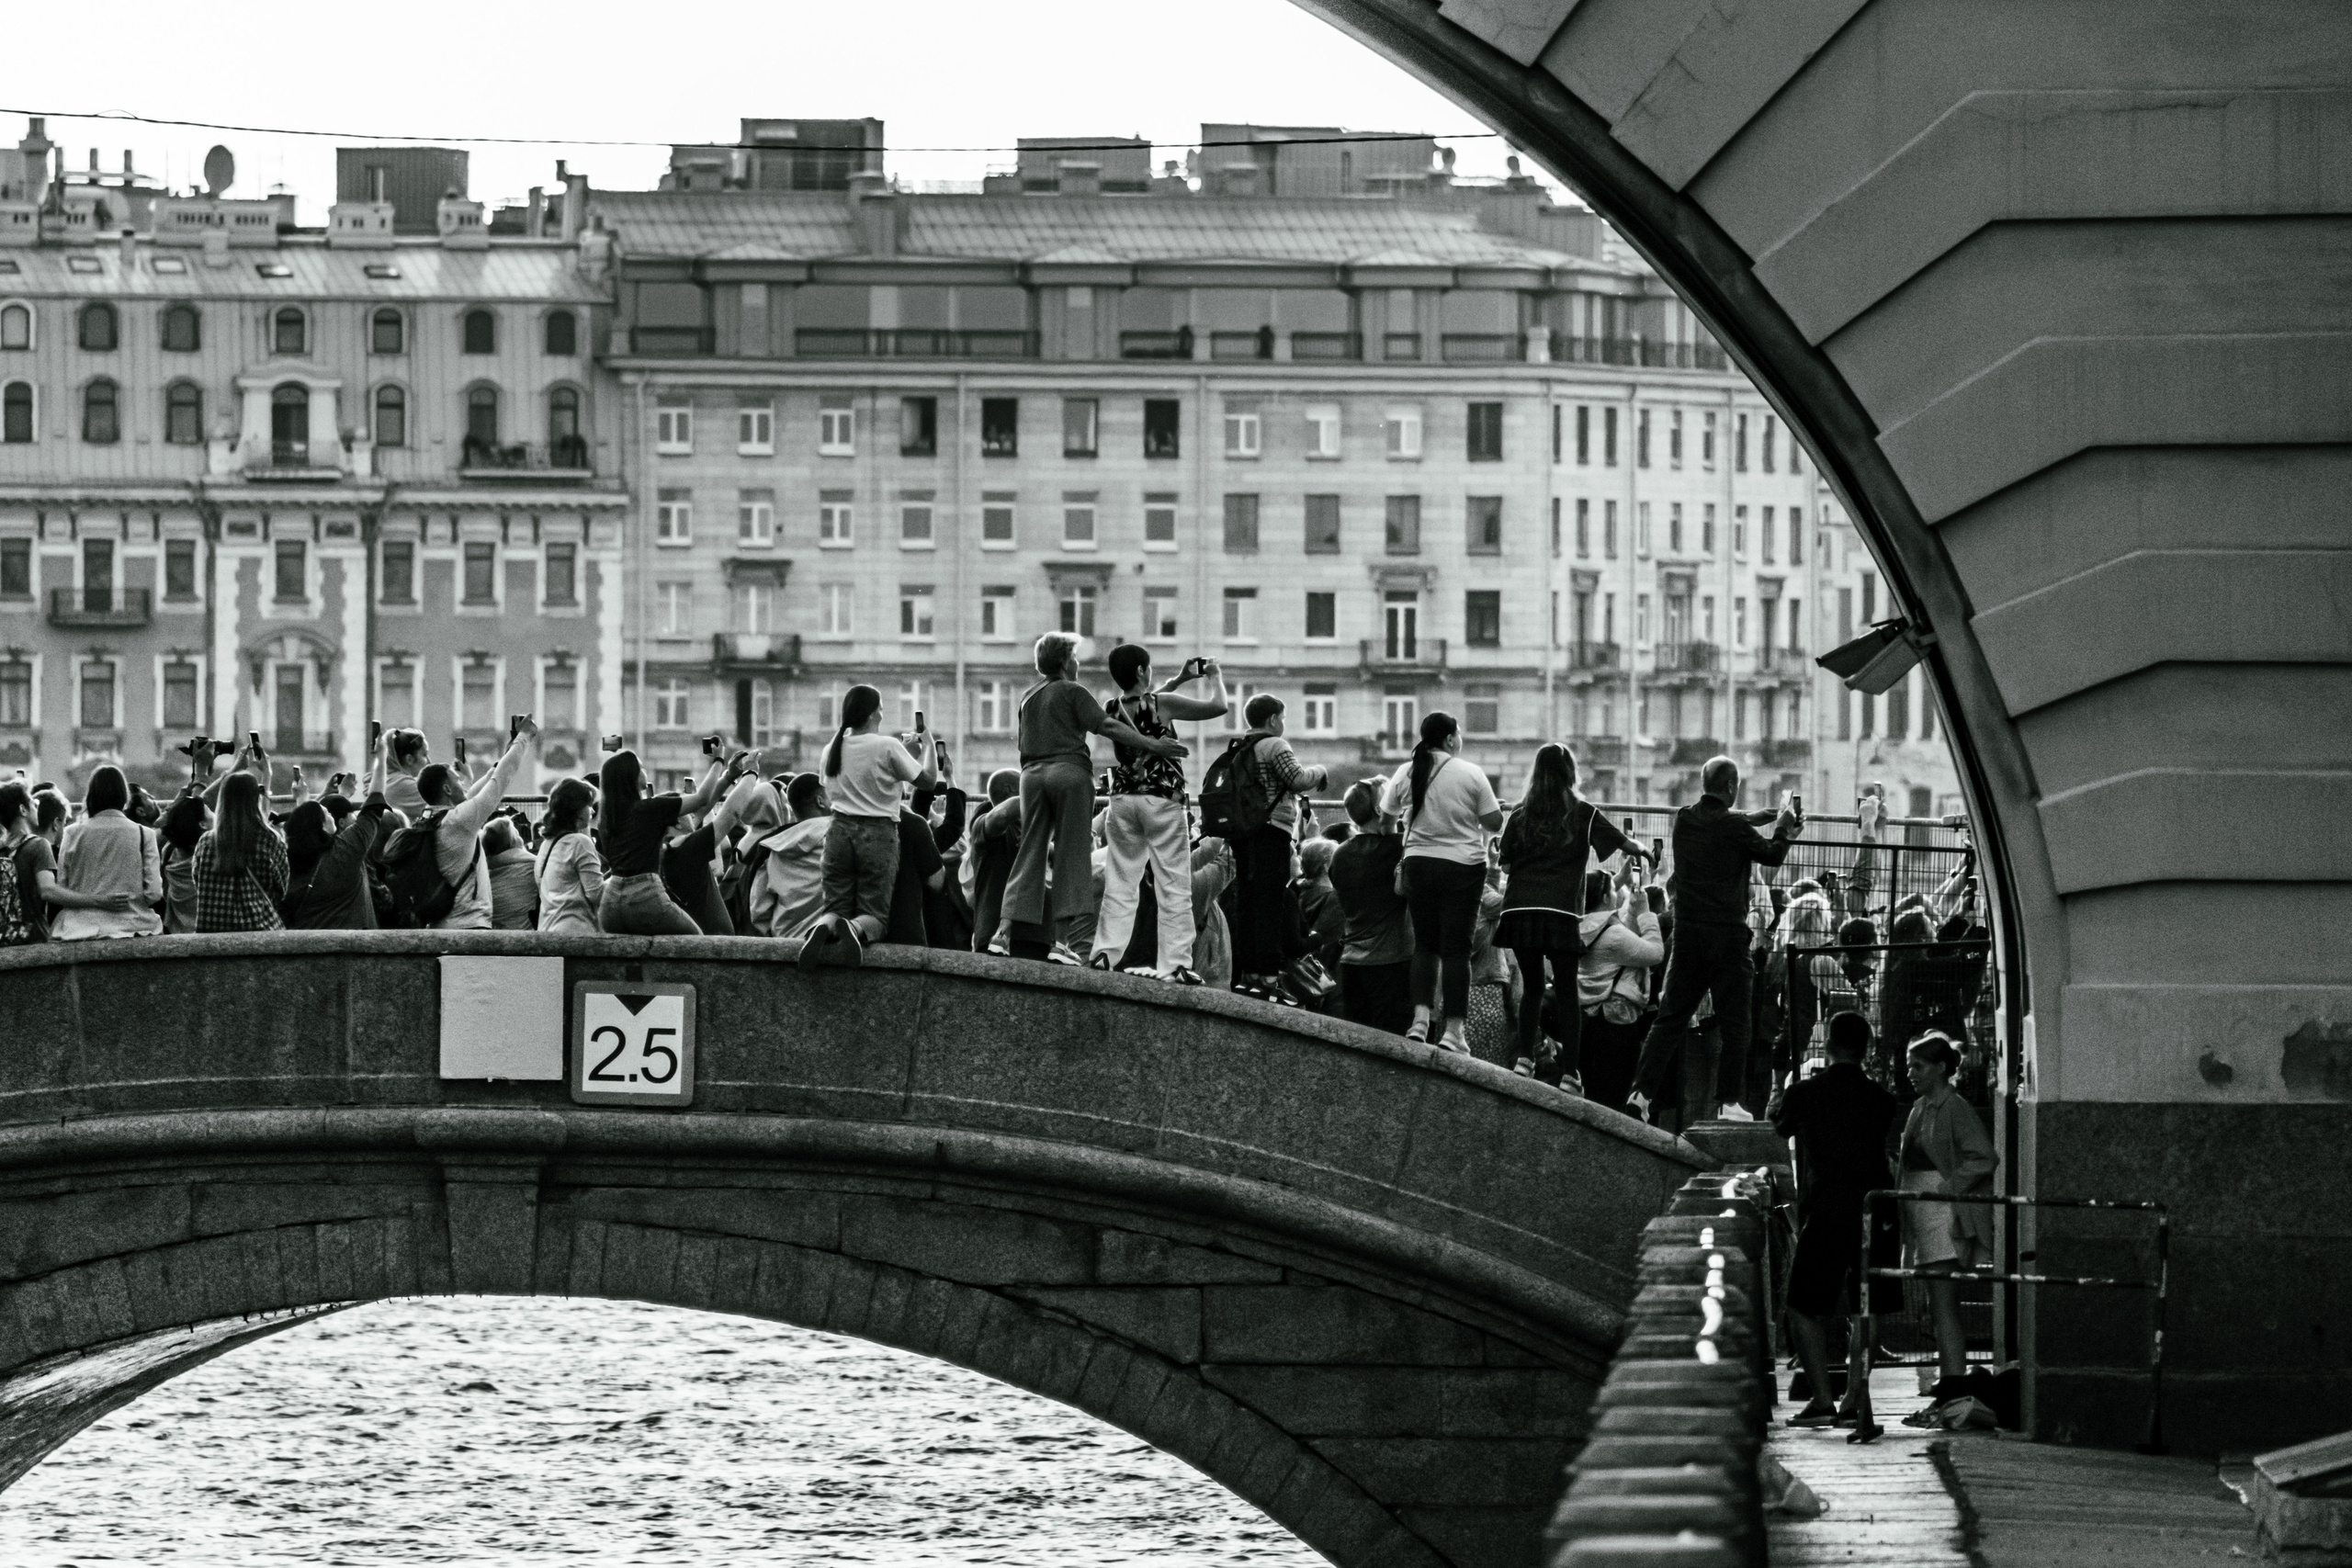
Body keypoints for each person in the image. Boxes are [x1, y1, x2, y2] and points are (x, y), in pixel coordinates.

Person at [1627, 757, 1801, 1121]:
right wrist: (1784, 829)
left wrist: (1750, 818)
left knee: (1670, 1020)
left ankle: (1641, 1095)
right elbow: (1771, 855)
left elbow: (1720, 824)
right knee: (1736, 1024)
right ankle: (1728, 1103)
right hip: (1727, 936)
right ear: (1732, 787)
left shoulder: (1684, 818)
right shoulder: (1732, 828)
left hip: (1688, 934)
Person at [1005, 634, 1174, 963]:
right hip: (1069, 773)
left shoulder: (1028, 696)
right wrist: (1153, 745)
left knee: (1030, 853)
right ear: (1065, 662)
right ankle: (1062, 944)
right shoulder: (1073, 690)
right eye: (1075, 658)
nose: (1078, 663)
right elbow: (1107, 726)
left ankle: (1002, 932)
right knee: (1073, 855)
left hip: (1031, 777)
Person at [1772, 1010, 1904, 1428]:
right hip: (1873, 1206)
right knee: (1868, 1305)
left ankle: (1823, 1401)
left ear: (1827, 1045)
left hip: (1827, 1206)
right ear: (1867, 1049)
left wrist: (1783, 1088)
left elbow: (1780, 1125)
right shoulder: (1882, 1100)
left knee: (1801, 1305)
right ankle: (1854, 1398)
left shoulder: (1807, 1093)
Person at [1495, 743, 1639, 1086]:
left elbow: (1505, 862)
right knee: (1566, 991)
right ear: (1570, 773)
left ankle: (1525, 1061)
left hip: (1521, 910)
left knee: (1531, 988)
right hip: (1559, 912)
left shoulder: (1519, 814)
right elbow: (1623, 844)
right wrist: (1644, 850)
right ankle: (1571, 1074)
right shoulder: (1583, 812)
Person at [1089, 645, 1225, 983]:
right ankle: (1176, 964)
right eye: (1147, 667)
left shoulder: (1113, 707)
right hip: (1162, 800)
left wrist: (1179, 678)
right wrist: (1215, 677)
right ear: (1140, 671)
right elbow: (1217, 707)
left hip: (1122, 802)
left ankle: (1105, 954)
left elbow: (1150, 700)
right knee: (1173, 884)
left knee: (1120, 882)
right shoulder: (1162, 705)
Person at [1380, 712, 1502, 1052]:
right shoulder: (1470, 773)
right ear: (1449, 739)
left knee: (1425, 945)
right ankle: (1453, 1032)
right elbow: (1493, 822)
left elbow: (1386, 817)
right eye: (1458, 733)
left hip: (1419, 865)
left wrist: (1401, 845)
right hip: (1463, 868)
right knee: (1456, 950)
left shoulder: (1405, 771)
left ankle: (1420, 1021)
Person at [1895, 1031, 1998, 1394]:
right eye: (1909, 1066)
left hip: (1943, 1218)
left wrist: (1949, 1186)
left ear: (1941, 1068)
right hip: (1924, 1218)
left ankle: (1953, 1383)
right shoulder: (1921, 1107)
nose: (1910, 1073)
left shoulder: (1955, 1108)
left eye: (1918, 1066)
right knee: (1937, 1306)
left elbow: (1985, 1157)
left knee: (1943, 1306)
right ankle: (1950, 1380)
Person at [801, 684, 933, 966]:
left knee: (835, 905)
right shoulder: (887, 746)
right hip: (878, 834)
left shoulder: (830, 749)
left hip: (837, 832)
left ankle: (824, 926)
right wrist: (928, 746)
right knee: (875, 915)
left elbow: (841, 781)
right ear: (874, 712)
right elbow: (929, 781)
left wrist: (902, 754)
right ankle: (856, 929)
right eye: (881, 708)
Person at [1225, 694, 1329, 1000]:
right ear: (1273, 719)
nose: (1283, 723)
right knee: (1271, 903)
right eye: (1282, 717)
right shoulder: (1275, 745)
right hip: (1271, 831)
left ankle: (1250, 974)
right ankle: (1270, 977)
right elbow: (1297, 779)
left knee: (1248, 901)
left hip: (1243, 832)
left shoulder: (1240, 747)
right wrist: (1321, 771)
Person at [596, 742, 739, 936]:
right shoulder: (650, 809)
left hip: (611, 902)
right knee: (695, 939)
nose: (644, 770)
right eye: (641, 768)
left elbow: (699, 812)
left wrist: (728, 777)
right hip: (644, 895)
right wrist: (718, 761)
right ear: (632, 777)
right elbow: (702, 799)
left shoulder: (607, 820)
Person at [411, 722, 539, 931]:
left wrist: (507, 752)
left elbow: (479, 792)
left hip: (439, 926)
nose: (463, 785)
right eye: (457, 781)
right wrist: (524, 737)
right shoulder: (458, 822)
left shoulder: (429, 821)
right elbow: (499, 782)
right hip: (468, 926)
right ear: (447, 789)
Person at [1327, 779, 1414, 1033]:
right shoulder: (1397, 847)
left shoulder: (1340, 854)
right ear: (1379, 810)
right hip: (1391, 962)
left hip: (1351, 963)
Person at [1575, 869, 1666, 1107]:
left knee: (1592, 1094)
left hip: (1591, 1022)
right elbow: (1655, 952)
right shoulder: (1613, 936)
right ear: (1605, 899)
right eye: (1613, 890)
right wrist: (1645, 913)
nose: (1617, 894)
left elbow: (1621, 934)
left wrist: (1633, 907)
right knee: (1613, 1097)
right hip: (1616, 1025)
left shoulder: (1586, 927)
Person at [280, 739, 391, 931]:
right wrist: (382, 756)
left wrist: (302, 801)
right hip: (354, 948)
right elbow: (374, 801)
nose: (330, 814)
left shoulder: (289, 862)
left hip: (308, 950)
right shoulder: (345, 851)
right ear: (323, 827)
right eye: (327, 814)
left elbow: (306, 825)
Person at [50, 765, 164, 940]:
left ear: (91, 795)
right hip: (134, 927)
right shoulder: (144, 834)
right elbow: (154, 893)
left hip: (79, 928)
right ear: (124, 796)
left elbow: (63, 886)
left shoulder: (72, 832)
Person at [193, 771, 289, 932]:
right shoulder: (270, 840)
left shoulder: (206, 842)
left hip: (212, 931)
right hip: (258, 929)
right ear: (255, 798)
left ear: (223, 800)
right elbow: (282, 888)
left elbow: (198, 880)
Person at [752, 774, 835, 940]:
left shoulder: (773, 847)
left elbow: (758, 910)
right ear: (820, 801)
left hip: (783, 940)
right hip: (829, 938)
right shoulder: (839, 837)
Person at [535, 777, 606, 935]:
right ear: (577, 810)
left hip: (548, 929)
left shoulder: (547, 845)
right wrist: (617, 881)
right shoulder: (580, 843)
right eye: (589, 806)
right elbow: (597, 894)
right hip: (577, 931)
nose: (593, 811)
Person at [963, 769, 1022, 954]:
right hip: (994, 936)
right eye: (1025, 785)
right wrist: (1039, 791)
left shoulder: (1033, 828)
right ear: (1010, 790)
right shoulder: (982, 825)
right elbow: (1003, 815)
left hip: (1034, 937)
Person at [156, 793, 209, 934]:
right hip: (205, 931)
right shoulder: (210, 854)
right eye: (209, 811)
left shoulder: (169, 851)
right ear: (202, 824)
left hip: (175, 930)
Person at [0, 783, 40, 944]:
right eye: (33, 803)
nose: (37, 807)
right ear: (23, 809)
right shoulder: (38, 845)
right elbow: (47, 890)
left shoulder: (2, 848)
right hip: (30, 934)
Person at [483, 818, 540, 930]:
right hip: (524, 935)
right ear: (515, 841)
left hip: (490, 936)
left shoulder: (482, 870)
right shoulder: (533, 865)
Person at [384, 728, 432, 819]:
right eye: (424, 755)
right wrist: (467, 776)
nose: (429, 762)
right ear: (409, 759)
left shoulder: (390, 780)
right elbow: (448, 805)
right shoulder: (403, 785)